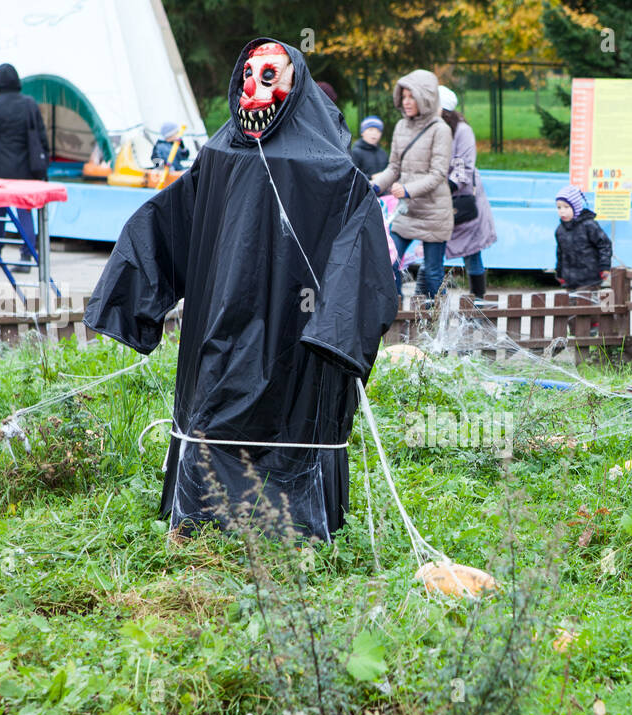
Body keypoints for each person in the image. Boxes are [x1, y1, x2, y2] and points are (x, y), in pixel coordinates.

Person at [83, 39, 397, 543]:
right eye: (247, 74)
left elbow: (361, 253)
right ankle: (204, 514)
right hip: (221, 323)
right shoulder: (221, 154)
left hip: (299, 335)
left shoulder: (331, 170)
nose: (253, 86)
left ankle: (294, 519)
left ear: (296, 81)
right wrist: (131, 292)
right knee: (217, 392)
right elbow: (173, 222)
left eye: (269, 75)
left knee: (288, 397)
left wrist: (337, 329)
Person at [371, 70, 453, 301]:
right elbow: (394, 167)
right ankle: (394, 313)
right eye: (403, 96)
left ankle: (437, 324)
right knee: (389, 261)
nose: (406, 102)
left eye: (411, 97)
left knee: (433, 273)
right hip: (407, 211)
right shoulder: (400, 127)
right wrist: (375, 187)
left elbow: (438, 174)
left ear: (425, 98)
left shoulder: (440, 130)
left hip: (434, 211)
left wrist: (407, 189)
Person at [0, 63, 48, 273]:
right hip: (25, 169)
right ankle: (27, 254)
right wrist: (43, 164)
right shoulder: (29, 104)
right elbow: (40, 136)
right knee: (24, 212)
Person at [437, 86, 496, 307]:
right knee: (433, 250)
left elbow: (464, 166)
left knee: (472, 251)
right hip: (438, 198)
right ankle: (434, 301)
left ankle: (478, 301)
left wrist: (444, 186)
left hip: (462, 198)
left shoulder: (461, 131)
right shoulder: (430, 127)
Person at [554, 185, 612, 290]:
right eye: (559, 207)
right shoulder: (560, 230)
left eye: (566, 207)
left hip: (590, 278)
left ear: (576, 207)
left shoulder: (589, 225)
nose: (562, 211)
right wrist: (560, 272)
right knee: (572, 304)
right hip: (570, 280)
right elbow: (560, 253)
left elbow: (604, 244)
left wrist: (604, 267)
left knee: (587, 303)